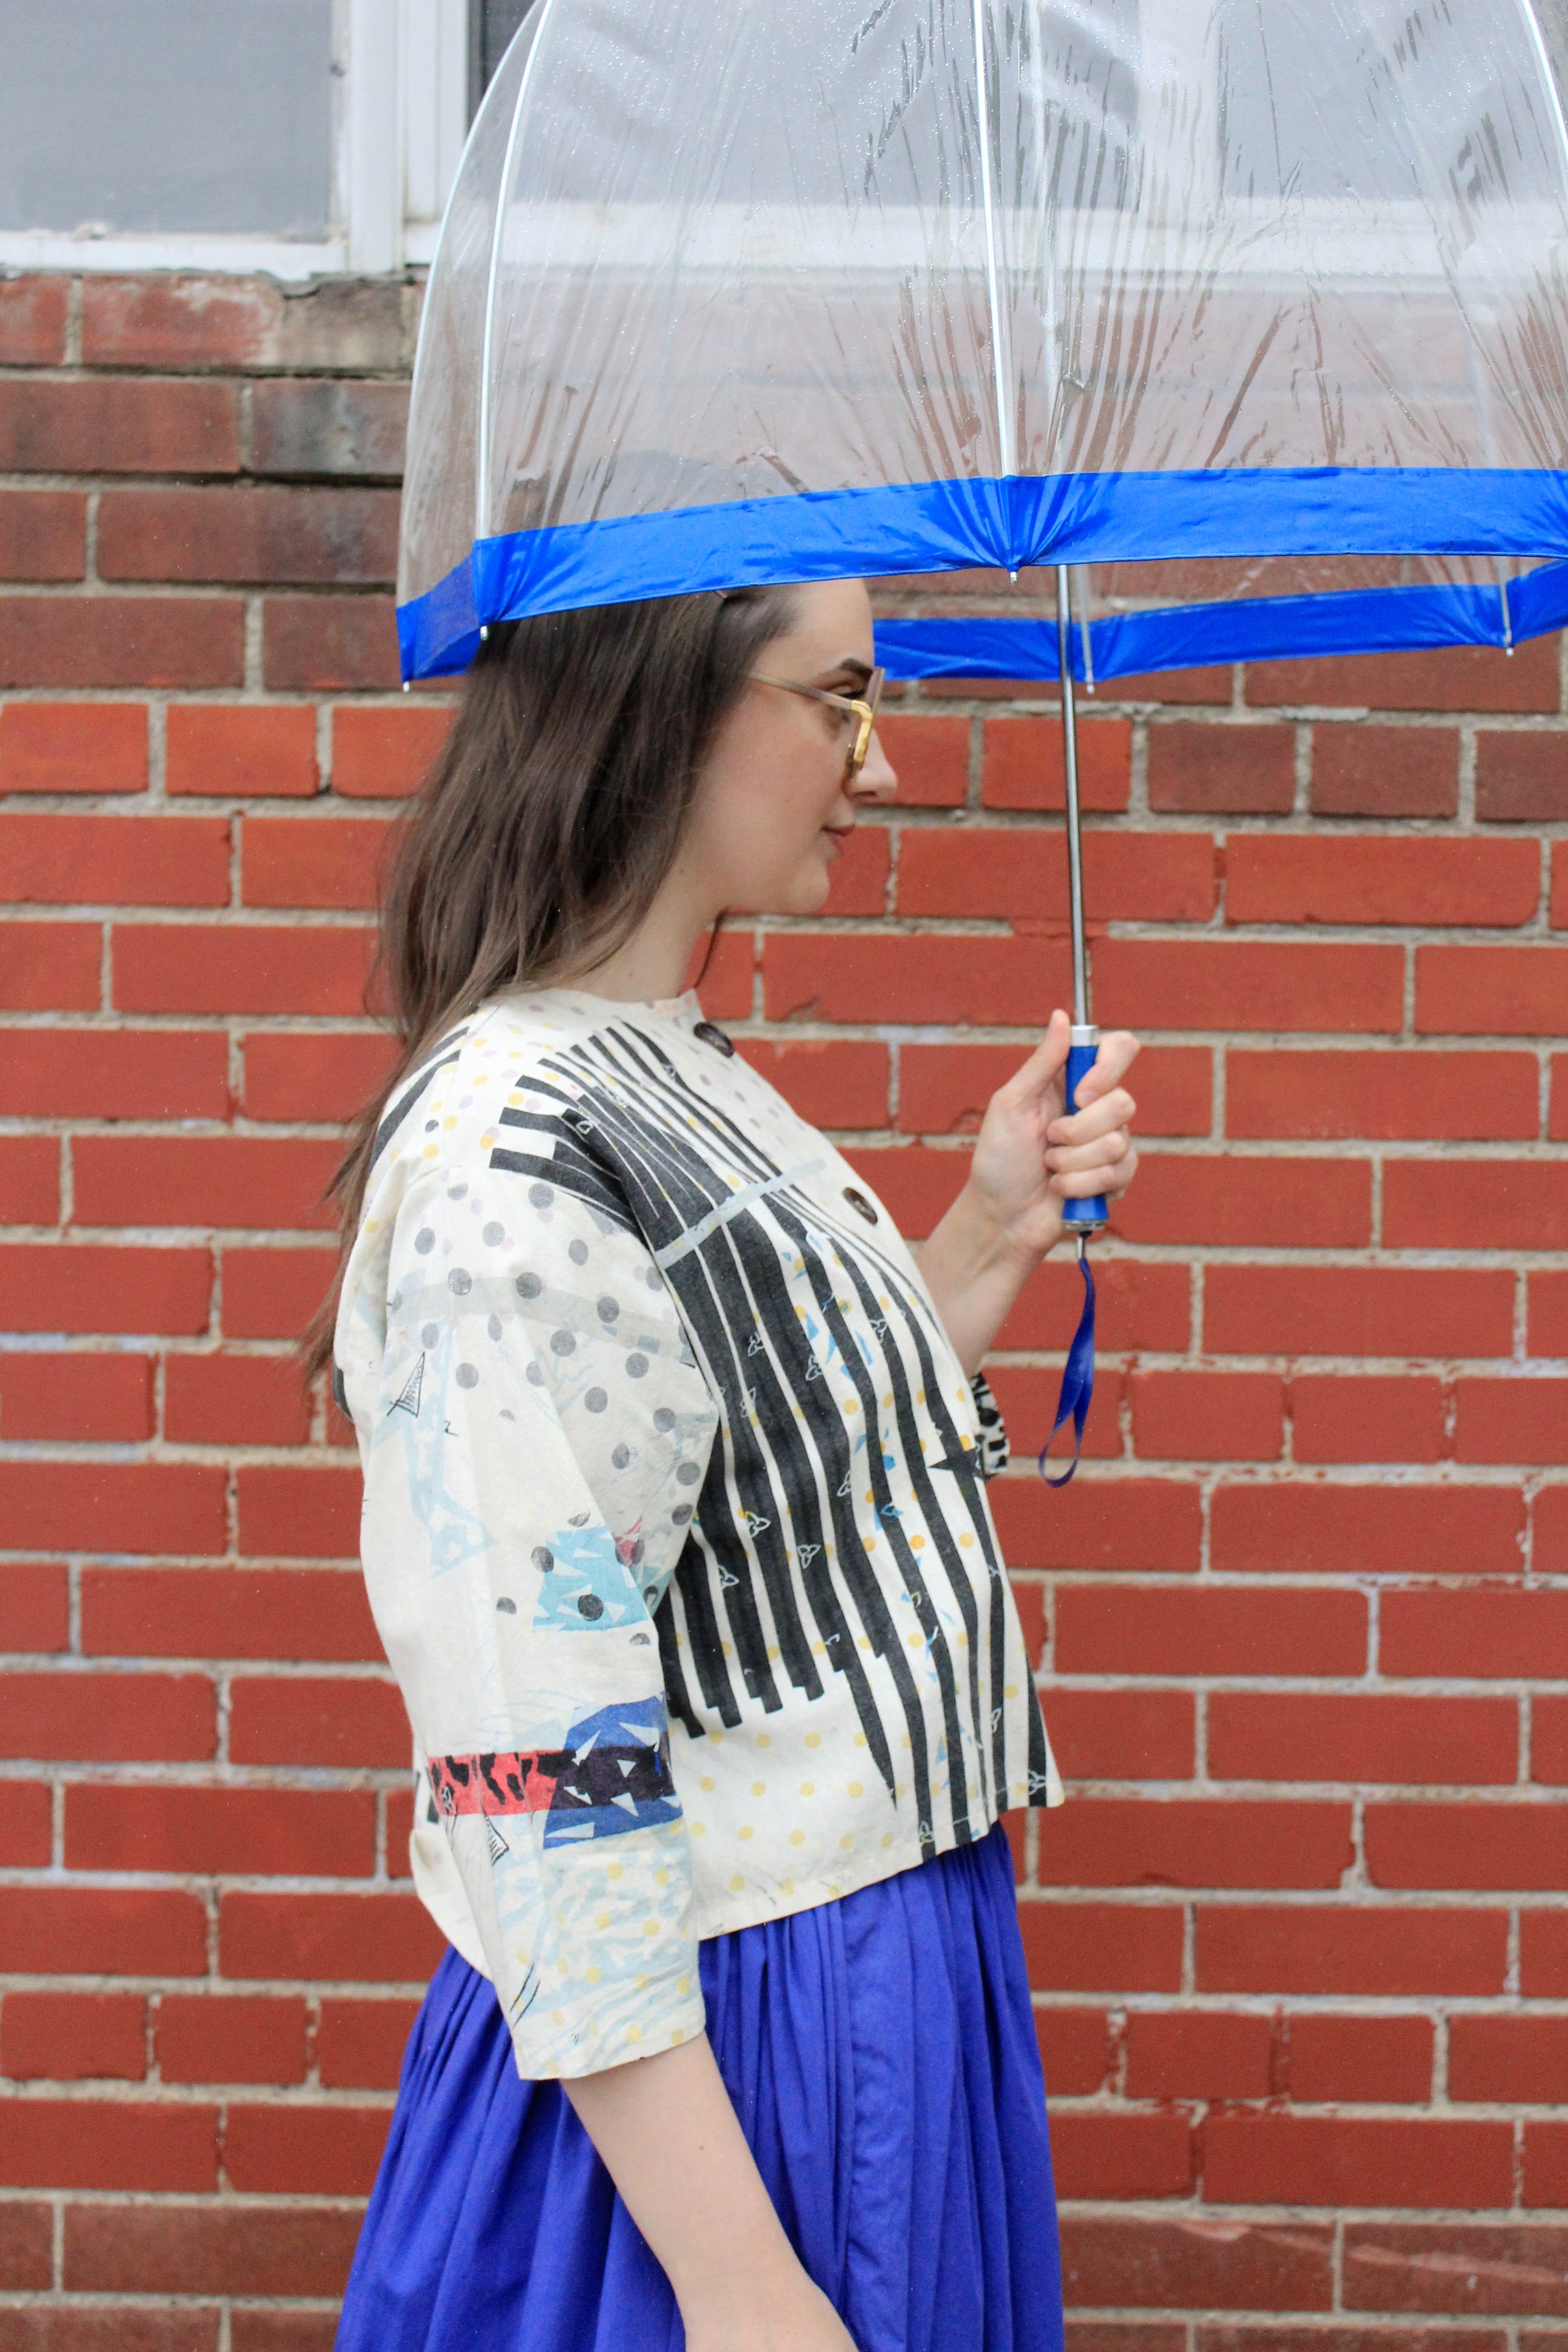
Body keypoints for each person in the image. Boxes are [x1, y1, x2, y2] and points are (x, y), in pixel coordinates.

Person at [318, 576, 1140, 2352]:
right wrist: (741, 2280)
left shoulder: (656, 1062)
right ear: (663, 702)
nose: (880, 763)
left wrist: (987, 1227)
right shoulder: (509, 1166)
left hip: (862, 1973)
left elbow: (767, 1464)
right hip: (728, 2042)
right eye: (839, 699)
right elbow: (542, 1770)